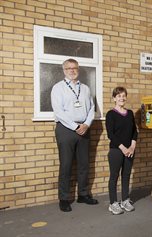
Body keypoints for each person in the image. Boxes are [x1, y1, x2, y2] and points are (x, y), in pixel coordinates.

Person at [51, 58, 98, 212]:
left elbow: (91, 108)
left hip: (84, 128)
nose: (72, 70)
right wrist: (75, 126)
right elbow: (58, 111)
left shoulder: (85, 88)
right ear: (64, 70)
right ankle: (64, 198)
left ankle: (83, 194)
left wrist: (86, 124)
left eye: (74, 68)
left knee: (84, 164)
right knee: (66, 165)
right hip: (66, 129)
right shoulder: (58, 88)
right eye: (68, 68)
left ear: (78, 69)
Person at [105, 86, 138, 215]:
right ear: (114, 98)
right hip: (116, 151)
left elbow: (134, 131)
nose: (122, 98)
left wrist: (132, 146)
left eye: (123, 96)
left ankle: (125, 200)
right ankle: (113, 203)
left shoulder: (129, 113)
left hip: (130, 150)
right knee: (114, 176)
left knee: (126, 175)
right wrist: (124, 148)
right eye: (119, 96)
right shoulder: (111, 114)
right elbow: (111, 135)